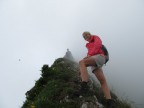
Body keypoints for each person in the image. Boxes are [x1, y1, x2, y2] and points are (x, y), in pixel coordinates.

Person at [78, 31, 116, 108]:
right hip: (94, 59)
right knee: (102, 81)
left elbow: (97, 46)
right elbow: (89, 55)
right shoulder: (88, 45)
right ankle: (109, 101)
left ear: (90, 34)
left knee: (81, 62)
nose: (86, 37)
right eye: (84, 37)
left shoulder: (96, 37)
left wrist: (88, 56)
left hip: (100, 57)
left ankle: (84, 85)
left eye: (87, 34)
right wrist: (87, 57)